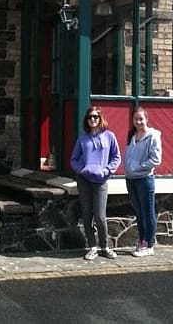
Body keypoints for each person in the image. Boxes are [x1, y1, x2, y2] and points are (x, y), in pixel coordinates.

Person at [70, 106, 121, 260]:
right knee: (87, 215)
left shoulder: (109, 136)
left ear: (100, 118)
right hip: (84, 181)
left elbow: (116, 157)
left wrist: (106, 171)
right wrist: (81, 170)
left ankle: (105, 247)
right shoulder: (82, 138)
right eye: (89, 117)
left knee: (100, 216)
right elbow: (74, 159)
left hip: (101, 181)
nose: (92, 120)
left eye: (95, 117)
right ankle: (92, 246)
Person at [124, 106, 162, 257]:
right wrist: (129, 169)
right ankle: (142, 242)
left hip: (144, 179)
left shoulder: (153, 136)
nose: (138, 122)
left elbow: (156, 159)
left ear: (146, 119)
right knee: (139, 213)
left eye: (141, 118)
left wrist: (139, 168)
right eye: (135, 119)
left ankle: (149, 244)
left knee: (147, 212)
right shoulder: (132, 135)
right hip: (131, 179)